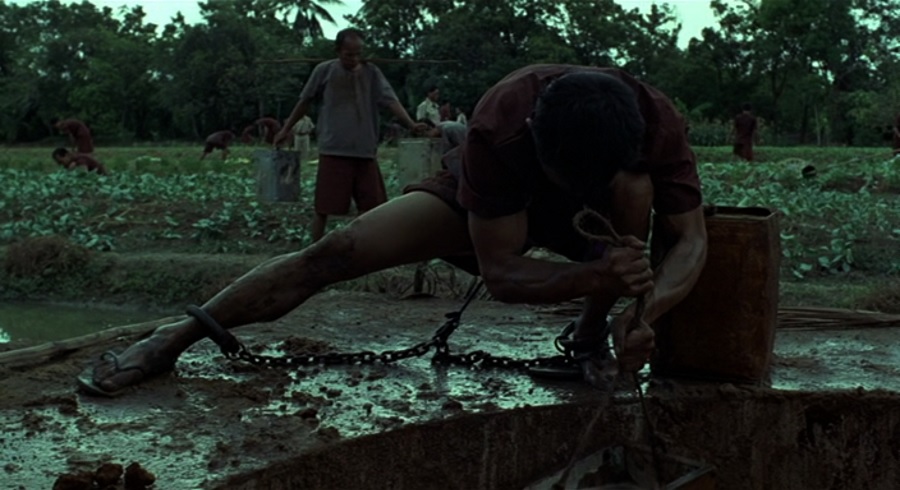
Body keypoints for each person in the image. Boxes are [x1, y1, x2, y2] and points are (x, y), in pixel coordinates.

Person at [77, 64, 707, 398]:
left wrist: (644, 311)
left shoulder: (657, 123)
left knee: (636, 191)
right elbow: (502, 273)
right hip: (490, 211)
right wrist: (593, 273)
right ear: (535, 137)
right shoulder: (502, 119)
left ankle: (592, 338)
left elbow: (690, 240)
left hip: (597, 227)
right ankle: (172, 338)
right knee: (335, 250)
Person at [272, 28, 427, 243]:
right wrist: (285, 129)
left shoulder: (372, 73)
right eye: (348, 55)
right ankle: (314, 250)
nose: (354, 59)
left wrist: (411, 124)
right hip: (334, 148)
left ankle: (369, 249)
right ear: (338, 51)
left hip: (364, 149)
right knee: (323, 207)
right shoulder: (324, 70)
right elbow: (304, 101)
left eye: (358, 54)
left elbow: (391, 101)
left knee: (372, 207)